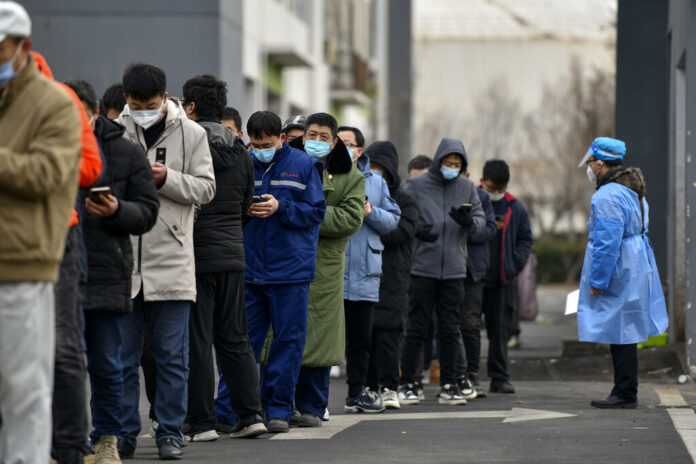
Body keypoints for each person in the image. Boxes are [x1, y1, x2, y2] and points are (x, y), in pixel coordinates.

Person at [117, 63, 216, 459]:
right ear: (125, 98)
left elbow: (207, 188)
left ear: (165, 98)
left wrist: (166, 178)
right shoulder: (110, 133)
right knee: (122, 358)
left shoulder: (192, 134)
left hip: (172, 260)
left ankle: (170, 432)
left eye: (151, 104)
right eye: (137, 104)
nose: (144, 110)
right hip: (123, 263)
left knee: (172, 357)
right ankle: (122, 434)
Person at [0, 3, 82, 462]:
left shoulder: (53, 102)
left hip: (22, 264)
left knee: (23, 391)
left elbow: (49, 174)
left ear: (23, 47)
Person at [64, 78, 159, 463]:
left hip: (106, 272)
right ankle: (62, 443)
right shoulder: (47, 147)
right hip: (57, 272)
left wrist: (117, 210)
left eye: (76, 113)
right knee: (60, 364)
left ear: (93, 112)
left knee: (108, 365)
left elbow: (147, 211)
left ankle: (107, 440)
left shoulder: (124, 152)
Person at [181, 75, 266, 441]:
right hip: (234, 254)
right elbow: (247, 205)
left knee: (198, 339)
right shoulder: (240, 151)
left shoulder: (186, 144)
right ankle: (251, 415)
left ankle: (202, 422)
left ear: (192, 107)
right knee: (235, 337)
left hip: (196, 256)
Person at [30, 51, 104, 464]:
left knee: (61, 346)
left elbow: (90, 169)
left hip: (54, 232)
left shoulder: (59, 99)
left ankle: (72, 449)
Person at [243, 111, 326, 433]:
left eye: (265, 143)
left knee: (288, 342)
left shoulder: (304, 165)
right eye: (254, 144)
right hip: (250, 268)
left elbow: (316, 211)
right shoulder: (244, 163)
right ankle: (242, 410)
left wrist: (282, 207)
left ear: (281, 138)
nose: (259, 149)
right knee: (243, 344)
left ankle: (278, 409)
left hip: (290, 269)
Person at [282, 113, 364, 427]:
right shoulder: (288, 166)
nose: (315, 140)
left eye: (322, 136)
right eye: (310, 134)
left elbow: (351, 219)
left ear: (333, 143)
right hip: (287, 262)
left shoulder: (351, 176)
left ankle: (313, 406)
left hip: (325, 269)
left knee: (320, 340)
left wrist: (306, 214)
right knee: (285, 335)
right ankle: (280, 404)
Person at [578, 137, 668, 409]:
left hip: (619, 265)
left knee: (620, 329)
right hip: (635, 260)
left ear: (600, 163)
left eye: (591, 162)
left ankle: (625, 392)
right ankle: (625, 389)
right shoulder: (633, 190)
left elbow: (607, 242)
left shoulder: (606, 196)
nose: (590, 167)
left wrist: (598, 280)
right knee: (625, 325)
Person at [398, 138, 485, 406]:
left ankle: (449, 383)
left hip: (455, 270)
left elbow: (482, 222)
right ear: (438, 161)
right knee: (416, 327)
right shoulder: (416, 185)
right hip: (422, 267)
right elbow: (400, 216)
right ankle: (409, 383)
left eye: (457, 165)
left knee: (449, 329)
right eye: (448, 163)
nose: (452, 168)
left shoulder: (468, 187)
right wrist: (416, 230)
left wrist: (469, 222)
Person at [338, 127, 400, 414]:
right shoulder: (322, 176)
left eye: (347, 143)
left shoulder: (376, 183)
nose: (341, 147)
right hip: (332, 271)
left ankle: (356, 392)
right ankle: (311, 400)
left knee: (361, 339)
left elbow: (392, 221)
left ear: (359, 151)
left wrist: (370, 211)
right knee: (327, 337)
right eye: (336, 142)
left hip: (364, 271)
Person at [365, 141, 419, 410]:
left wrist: (372, 217)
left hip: (393, 274)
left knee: (388, 333)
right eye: (371, 167)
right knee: (364, 334)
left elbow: (402, 233)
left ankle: (389, 386)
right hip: (363, 271)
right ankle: (368, 386)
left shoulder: (405, 199)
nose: (375, 173)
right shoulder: (357, 192)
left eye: (380, 169)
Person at [479, 160, 532, 394]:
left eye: (500, 189)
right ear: (482, 183)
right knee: (467, 330)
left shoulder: (515, 208)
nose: (496, 194)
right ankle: (467, 376)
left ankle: (499, 377)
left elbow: (525, 239)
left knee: (500, 330)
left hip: (503, 279)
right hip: (475, 278)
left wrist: (515, 264)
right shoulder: (473, 201)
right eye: (491, 189)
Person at [455, 171, 497, 399]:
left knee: (470, 325)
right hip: (446, 268)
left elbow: (489, 229)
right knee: (447, 324)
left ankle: (472, 375)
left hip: (473, 270)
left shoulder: (481, 197)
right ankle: (453, 376)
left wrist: (466, 227)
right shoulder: (437, 193)